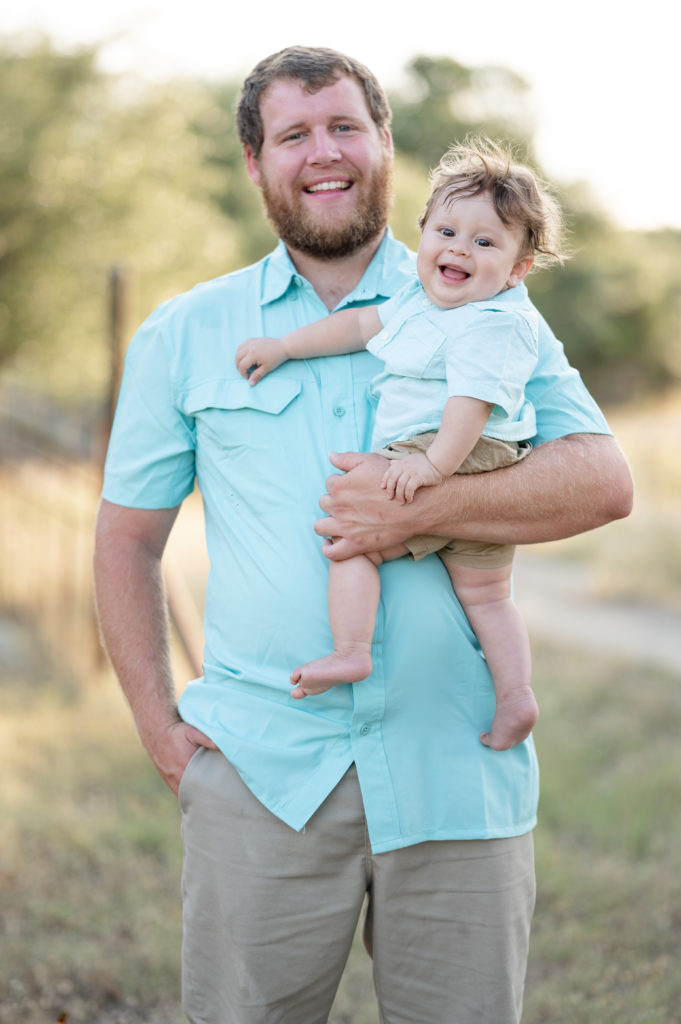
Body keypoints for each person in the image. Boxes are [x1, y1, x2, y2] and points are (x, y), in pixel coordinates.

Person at [94, 45, 633, 1024]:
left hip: (457, 770)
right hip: (261, 774)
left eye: (345, 125)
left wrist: (421, 507)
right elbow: (127, 542)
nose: (323, 151)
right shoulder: (184, 333)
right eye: (293, 134)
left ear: (387, 144)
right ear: (255, 162)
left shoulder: (493, 301)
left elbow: (602, 480)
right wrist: (164, 734)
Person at [235, 139, 569, 751]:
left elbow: (470, 404)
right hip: (470, 454)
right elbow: (361, 326)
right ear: (423, 234)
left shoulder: (494, 320)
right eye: (446, 230)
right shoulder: (421, 302)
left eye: (486, 242)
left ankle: (351, 651)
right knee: (488, 596)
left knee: (350, 532)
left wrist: (429, 466)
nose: (459, 249)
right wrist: (286, 346)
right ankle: (517, 696)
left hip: (457, 449)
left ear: (519, 268)